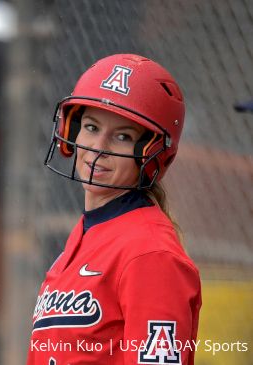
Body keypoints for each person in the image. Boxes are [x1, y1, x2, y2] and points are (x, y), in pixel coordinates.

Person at [28, 54, 201, 364]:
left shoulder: (150, 254)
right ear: (72, 131)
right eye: (91, 127)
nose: (98, 148)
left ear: (151, 154)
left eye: (123, 136)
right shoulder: (89, 232)